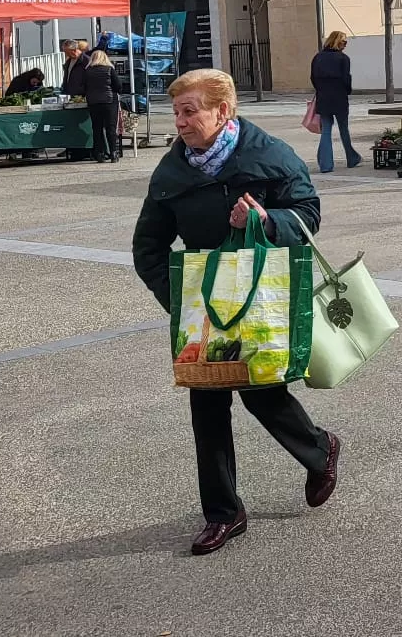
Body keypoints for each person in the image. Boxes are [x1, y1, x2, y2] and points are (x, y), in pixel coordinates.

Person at [131, 69, 338, 556]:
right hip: (203, 309)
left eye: (190, 111)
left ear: (223, 111)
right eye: (176, 112)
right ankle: (223, 513)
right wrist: (180, 301)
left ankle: (320, 447)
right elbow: (148, 248)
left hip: (260, 298)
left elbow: (308, 214)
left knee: (262, 393)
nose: (180, 122)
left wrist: (268, 219)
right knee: (206, 406)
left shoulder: (268, 156)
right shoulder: (172, 172)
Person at [309, 31, 361, 173]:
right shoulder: (343, 59)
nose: (345, 44)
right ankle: (351, 158)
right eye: (343, 41)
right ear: (337, 41)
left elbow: (313, 78)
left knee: (326, 129)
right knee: (344, 129)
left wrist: (321, 89)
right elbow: (346, 79)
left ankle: (326, 164)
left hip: (323, 97)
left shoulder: (317, 58)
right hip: (339, 97)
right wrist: (347, 90)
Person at [82, 50, 121, 164]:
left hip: (93, 102)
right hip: (109, 101)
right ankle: (113, 152)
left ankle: (100, 154)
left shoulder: (87, 71)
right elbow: (118, 86)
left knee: (97, 128)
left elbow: (84, 87)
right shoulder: (110, 69)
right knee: (111, 128)